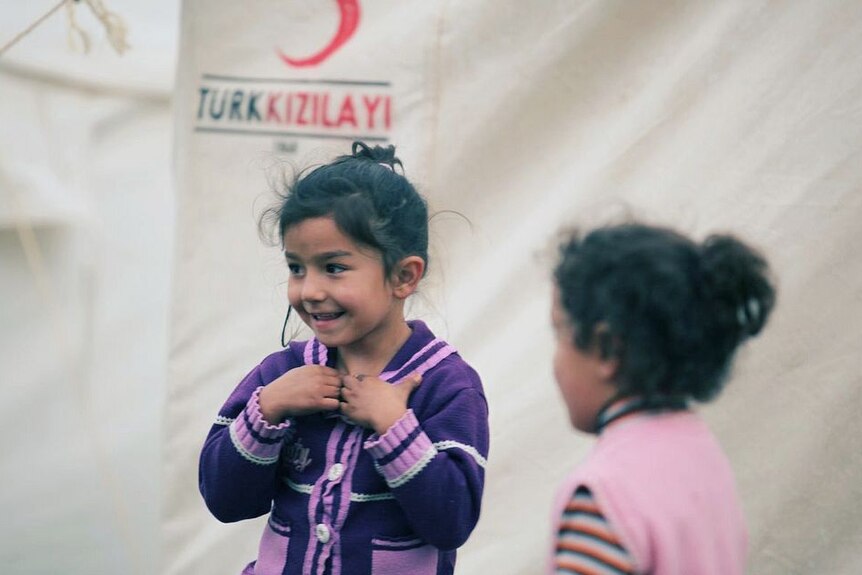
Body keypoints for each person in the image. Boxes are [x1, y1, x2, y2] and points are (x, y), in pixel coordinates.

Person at [199, 142, 489, 575]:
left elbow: (452, 523)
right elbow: (225, 501)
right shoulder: (279, 375)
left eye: (333, 267)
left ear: (403, 276)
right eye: (297, 267)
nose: (309, 290)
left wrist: (394, 425)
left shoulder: (446, 385)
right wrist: (267, 410)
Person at [548, 222, 776, 575]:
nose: (555, 361)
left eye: (559, 332)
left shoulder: (604, 496)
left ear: (608, 350)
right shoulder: (703, 455)